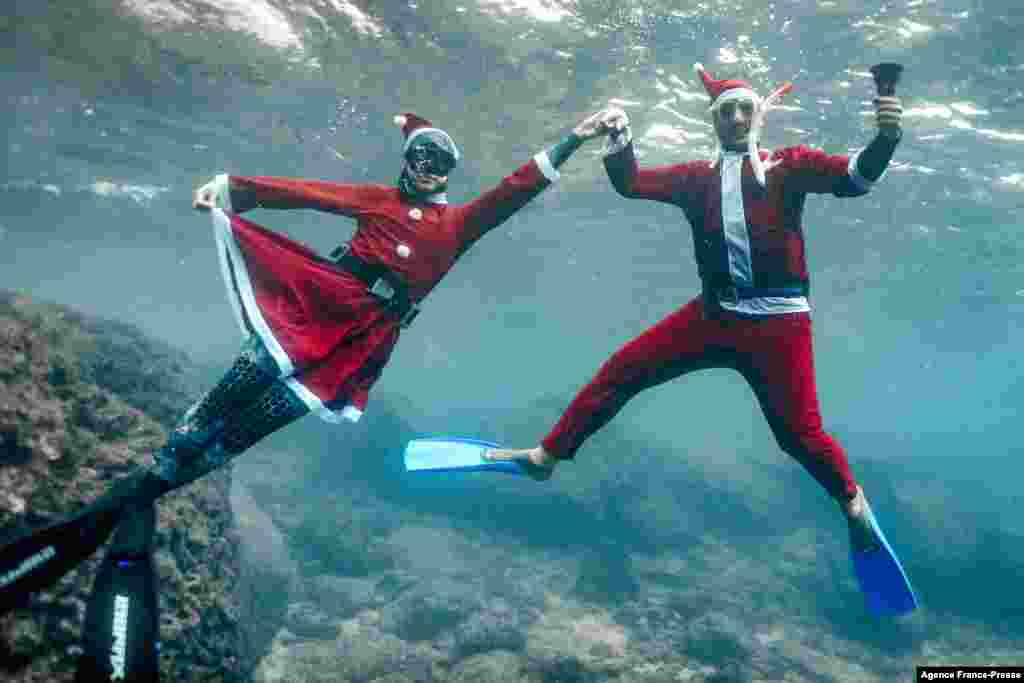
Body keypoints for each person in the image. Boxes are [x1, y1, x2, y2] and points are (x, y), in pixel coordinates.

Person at [0, 109, 612, 609]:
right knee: (238, 383)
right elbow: (308, 194)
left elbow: (515, 191)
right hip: (314, 309)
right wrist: (236, 190)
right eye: (423, 157)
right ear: (408, 163)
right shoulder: (376, 198)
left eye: (442, 163)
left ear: (450, 173)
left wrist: (575, 138)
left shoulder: (459, 226)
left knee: (261, 417)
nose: (430, 170)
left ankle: (163, 480)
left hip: (360, 343)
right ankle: (171, 449)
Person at [485, 64, 904, 552]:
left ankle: (853, 503)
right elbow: (631, 183)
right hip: (714, 315)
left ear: (759, 115)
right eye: (727, 111)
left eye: (746, 108)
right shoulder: (695, 178)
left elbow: (854, 179)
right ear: (714, 120)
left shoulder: (788, 165)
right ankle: (546, 457)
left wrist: (887, 138)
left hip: (779, 325)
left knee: (799, 436)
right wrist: (620, 135)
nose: (738, 117)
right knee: (624, 370)